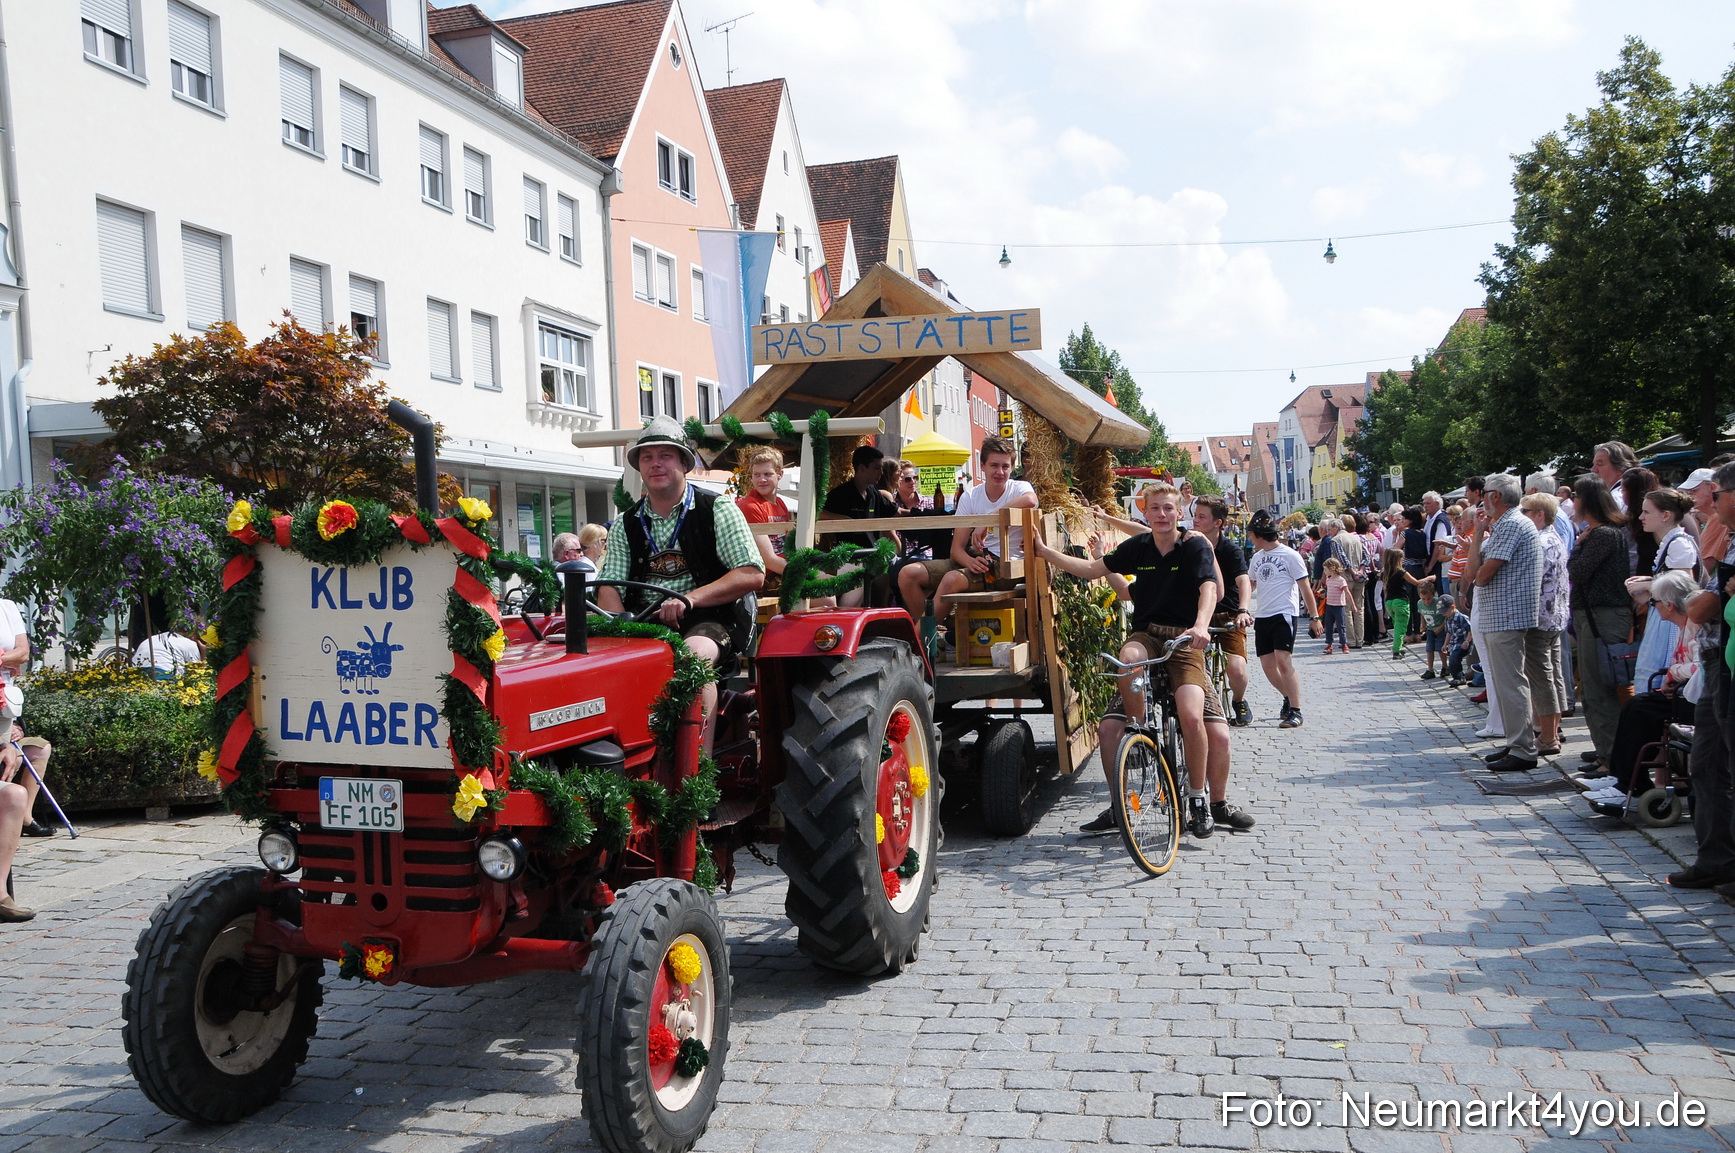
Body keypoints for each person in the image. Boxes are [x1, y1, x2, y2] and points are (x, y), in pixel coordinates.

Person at [1036, 483, 1245, 837]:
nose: (1162, 514)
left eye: (1168, 508)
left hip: (1184, 637)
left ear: (1179, 513)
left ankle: (1200, 798)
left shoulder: (1194, 545)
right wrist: (1043, 552)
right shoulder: (1141, 547)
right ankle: (1140, 742)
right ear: (1145, 513)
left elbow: (1210, 589)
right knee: (1115, 700)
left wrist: (1199, 626)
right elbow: (1092, 570)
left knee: (1195, 717)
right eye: (1155, 509)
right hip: (1147, 633)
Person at [596, 417, 765, 754]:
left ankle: (694, 777)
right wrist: (617, 631)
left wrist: (689, 599)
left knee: (691, 659)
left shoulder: (716, 508)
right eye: (647, 457)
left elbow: (751, 573)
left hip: (710, 619)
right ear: (639, 468)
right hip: (645, 621)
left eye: (666, 456)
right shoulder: (626, 523)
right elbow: (609, 586)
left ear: (685, 463)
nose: (656, 464)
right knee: (595, 663)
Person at [1582, 569, 1700, 810]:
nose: (1652, 607)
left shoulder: (1695, 626)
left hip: (1696, 699)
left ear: (1668, 605)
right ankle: (1623, 779)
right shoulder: (1682, 626)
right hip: (1684, 692)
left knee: (1640, 709)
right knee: (1637, 706)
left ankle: (1629, 785)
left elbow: (1700, 667)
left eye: (1654, 602)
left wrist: (1672, 674)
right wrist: (1673, 674)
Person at [1672, 459, 1735, 888]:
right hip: (1717, 660)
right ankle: (1717, 860)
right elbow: (1701, 602)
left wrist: (1700, 599)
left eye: (1719, 494)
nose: (1711, 502)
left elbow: (1702, 606)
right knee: (1707, 762)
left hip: (1726, 662)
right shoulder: (1730, 539)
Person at [899, 437, 1037, 626]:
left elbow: (1030, 500)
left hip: (1006, 567)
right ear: (982, 466)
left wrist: (987, 522)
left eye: (1005, 466)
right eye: (994, 465)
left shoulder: (1019, 488)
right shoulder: (971, 496)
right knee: (907, 574)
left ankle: (919, 642)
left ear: (1012, 467)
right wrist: (970, 562)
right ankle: (933, 636)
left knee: (951, 580)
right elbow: (956, 550)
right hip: (978, 561)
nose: (1000, 472)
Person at [1467, 473, 1543, 771]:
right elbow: (1475, 570)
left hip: (1506, 615)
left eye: (1485, 493)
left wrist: (1478, 561)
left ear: (1495, 496)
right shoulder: (1504, 525)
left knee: (1511, 683)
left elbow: (1482, 575)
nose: (1481, 497)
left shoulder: (1512, 524)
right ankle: (1516, 742)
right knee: (1504, 682)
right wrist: (1477, 534)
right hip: (1498, 615)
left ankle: (1523, 748)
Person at [1568, 475, 1634, 775]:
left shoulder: (1604, 535)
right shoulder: (1598, 533)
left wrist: (1578, 546)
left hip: (1603, 617)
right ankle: (1604, 750)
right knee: (1592, 690)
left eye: (1577, 497)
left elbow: (1578, 572)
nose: (1573, 503)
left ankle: (1611, 758)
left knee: (1601, 690)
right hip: (1592, 616)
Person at [1247, 512, 1322, 729]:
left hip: (1284, 614)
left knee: (1283, 660)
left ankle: (1296, 710)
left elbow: (1305, 588)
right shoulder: (1257, 557)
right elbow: (1251, 584)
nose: (1250, 538)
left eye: (1251, 534)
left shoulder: (1290, 555)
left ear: (1258, 534)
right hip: (1262, 615)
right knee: (1268, 666)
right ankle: (1288, 697)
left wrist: (1314, 617)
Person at [1629, 487, 1699, 696]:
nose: (1641, 517)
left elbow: (1683, 586)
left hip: (1671, 621)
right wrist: (1649, 582)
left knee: (1660, 674)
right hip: (1662, 617)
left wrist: (1648, 585)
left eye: (1647, 512)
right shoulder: (1670, 543)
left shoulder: (1679, 545)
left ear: (1666, 515)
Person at [1194, 496, 1254, 727]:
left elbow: (1244, 581)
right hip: (1199, 615)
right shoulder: (1189, 543)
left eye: (1202, 516)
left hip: (1229, 616)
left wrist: (1243, 610)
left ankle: (1239, 700)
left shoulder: (1230, 549)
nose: (1195, 520)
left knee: (1236, 669)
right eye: (1195, 515)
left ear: (1218, 523)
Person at [1519, 491, 1569, 756]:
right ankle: (1553, 730)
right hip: (1556, 616)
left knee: (1542, 678)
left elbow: (1532, 581)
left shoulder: (1540, 541)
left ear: (1540, 514)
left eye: (1525, 511)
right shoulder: (1554, 536)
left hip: (1540, 619)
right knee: (1553, 675)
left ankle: (1548, 737)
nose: (1522, 516)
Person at [736, 446, 795, 597]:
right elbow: (768, 560)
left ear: (780, 474)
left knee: (834, 582)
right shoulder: (750, 506)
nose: (761, 480)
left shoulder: (781, 503)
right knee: (825, 594)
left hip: (781, 571)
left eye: (767, 474)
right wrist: (803, 571)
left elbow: (788, 547)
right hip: (763, 578)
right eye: (757, 475)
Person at [1337, 511, 1369, 649]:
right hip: (1359, 578)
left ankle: (1350, 640)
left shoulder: (1338, 540)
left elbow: (1342, 558)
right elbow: (1366, 556)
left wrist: (1352, 572)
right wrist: (1360, 571)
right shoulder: (1359, 538)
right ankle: (1360, 639)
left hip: (1347, 577)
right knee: (1360, 608)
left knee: (1347, 609)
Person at [1381, 549, 1419, 659]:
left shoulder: (1386, 572)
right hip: (1401, 602)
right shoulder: (1401, 572)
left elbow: (1385, 590)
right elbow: (1416, 582)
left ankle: (1400, 647)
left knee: (1396, 623)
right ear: (1398, 559)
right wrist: (1430, 578)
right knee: (1400, 628)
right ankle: (1396, 651)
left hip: (1389, 602)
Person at [131, 623, 203, 679]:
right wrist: (204, 654)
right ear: (193, 633)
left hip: (138, 675)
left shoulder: (151, 639)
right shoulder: (189, 643)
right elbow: (196, 672)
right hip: (165, 677)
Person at [1592, 441, 1639, 509]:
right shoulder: (1629, 493)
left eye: (1600, 464)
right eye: (1594, 464)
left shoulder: (1615, 499)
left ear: (1620, 467)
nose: (1593, 470)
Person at [1415, 578, 1446, 678]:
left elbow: (1447, 616)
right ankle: (1430, 669)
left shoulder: (1439, 603)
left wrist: (1442, 627)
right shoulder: (1420, 603)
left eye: (1429, 598)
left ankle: (1445, 667)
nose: (1426, 601)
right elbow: (1422, 614)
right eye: (1424, 599)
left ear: (1433, 595)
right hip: (1430, 630)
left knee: (1441, 649)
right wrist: (1422, 624)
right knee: (1429, 649)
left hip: (1440, 630)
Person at [1320, 557, 1349, 654]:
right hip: (1329, 605)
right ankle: (1329, 644)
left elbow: (1347, 593)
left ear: (1332, 568)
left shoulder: (1341, 580)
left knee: (1341, 626)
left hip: (1339, 606)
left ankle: (1344, 644)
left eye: (1325, 569)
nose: (1324, 572)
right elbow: (1329, 590)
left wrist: (1353, 605)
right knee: (1328, 626)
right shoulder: (1328, 580)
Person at [1443, 596, 1472, 685]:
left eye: (1444, 611)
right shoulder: (1447, 619)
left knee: (1454, 658)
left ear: (1452, 607)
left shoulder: (1461, 618)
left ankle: (1460, 677)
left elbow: (1471, 630)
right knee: (1452, 661)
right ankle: (1456, 676)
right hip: (1454, 643)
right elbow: (1449, 632)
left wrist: (1467, 641)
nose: (1443, 614)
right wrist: (1445, 644)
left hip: (1463, 643)